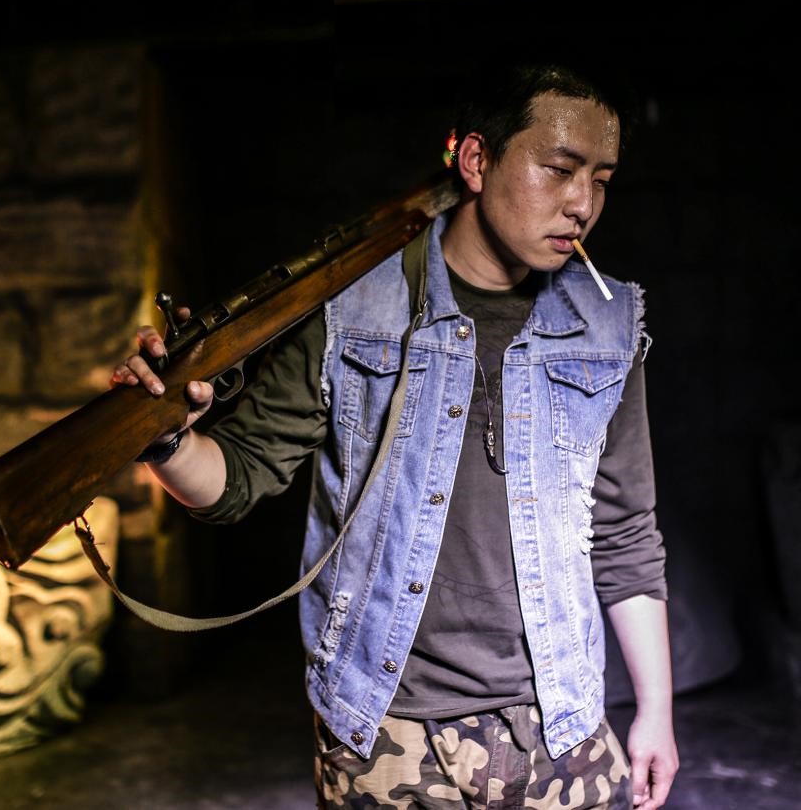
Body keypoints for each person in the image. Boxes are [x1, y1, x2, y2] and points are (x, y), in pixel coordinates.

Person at [112, 63, 678, 809]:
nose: (582, 203)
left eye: (600, 180)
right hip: (381, 728)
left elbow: (626, 534)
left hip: (559, 723)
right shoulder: (351, 307)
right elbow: (235, 480)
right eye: (558, 169)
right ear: (475, 159)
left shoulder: (606, 326)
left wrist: (656, 711)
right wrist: (164, 438)